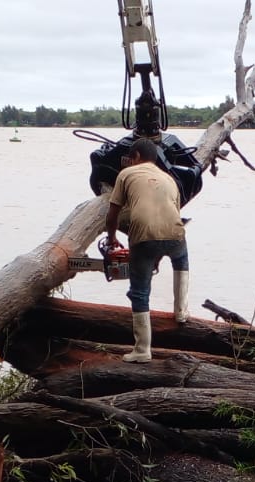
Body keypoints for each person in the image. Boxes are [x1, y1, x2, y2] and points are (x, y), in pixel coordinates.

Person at [104, 137, 189, 363]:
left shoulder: (125, 174)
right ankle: (181, 312)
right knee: (181, 261)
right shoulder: (169, 178)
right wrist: (158, 254)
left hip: (143, 237)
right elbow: (172, 214)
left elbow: (112, 215)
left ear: (136, 156)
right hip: (175, 234)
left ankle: (142, 350)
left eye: (130, 158)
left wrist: (112, 238)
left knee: (140, 292)